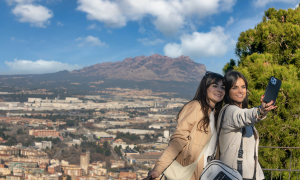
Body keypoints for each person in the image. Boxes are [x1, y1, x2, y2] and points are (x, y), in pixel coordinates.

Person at [147, 71, 225, 180]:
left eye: (223, 87)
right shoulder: (196, 107)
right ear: (205, 87)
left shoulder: (215, 114)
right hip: (190, 175)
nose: (219, 90)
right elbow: (178, 140)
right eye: (215, 86)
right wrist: (158, 168)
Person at [218, 71, 277, 180]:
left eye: (243, 87)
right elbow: (245, 116)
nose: (240, 91)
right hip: (235, 175)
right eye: (235, 87)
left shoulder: (239, 111)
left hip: (251, 174)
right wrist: (261, 110)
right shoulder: (229, 111)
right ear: (227, 91)